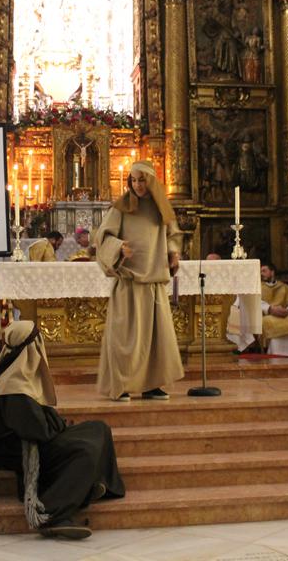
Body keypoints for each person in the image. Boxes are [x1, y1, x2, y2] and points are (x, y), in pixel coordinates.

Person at [0, 321, 125, 538]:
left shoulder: (18, 377)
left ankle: (94, 485)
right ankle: (52, 513)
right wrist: (59, 425)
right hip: (23, 451)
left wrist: (57, 424)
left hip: (36, 439)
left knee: (98, 428)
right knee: (83, 452)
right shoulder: (13, 388)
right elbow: (38, 432)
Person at [94, 160, 184, 402]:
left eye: (142, 180)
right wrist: (118, 248)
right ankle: (121, 386)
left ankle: (151, 385)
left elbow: (172, 235)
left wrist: (173, 253)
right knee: (124, 340)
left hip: (153, 284)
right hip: (129, 283)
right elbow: (102, 238)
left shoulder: (161, 208)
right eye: (133, 180)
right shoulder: (121, 208)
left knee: (154, 342)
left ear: (151, 181)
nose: (137, 185)